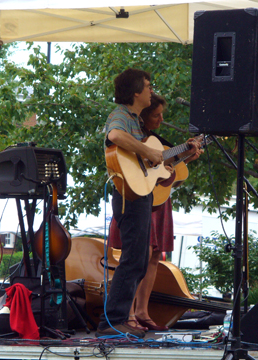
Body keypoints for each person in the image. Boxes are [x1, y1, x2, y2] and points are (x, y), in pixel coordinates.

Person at [108, 93, 203, 332]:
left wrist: (186, 156)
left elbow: (166, 170)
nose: (161, 119)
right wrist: (152, 155)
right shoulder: (126, 122)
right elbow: (117, 139)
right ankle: (122, 317)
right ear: (144, 116)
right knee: (135, 256)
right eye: (157, 115)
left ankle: (140, 312)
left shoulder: (153, 140)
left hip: (155, 197)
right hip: (134, 194)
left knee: (150, 256)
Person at [96, 68, 163, 338]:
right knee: (133, 260)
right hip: (128, 197)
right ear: (136, 92)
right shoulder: (121, 115)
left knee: (138, 259)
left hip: (139, 194)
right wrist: (147, 150)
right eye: (147, 86)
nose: (151, 90)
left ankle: (117, 319)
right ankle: (110, 322)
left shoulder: (136, 120)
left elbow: (146, 162)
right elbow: (114, 136)